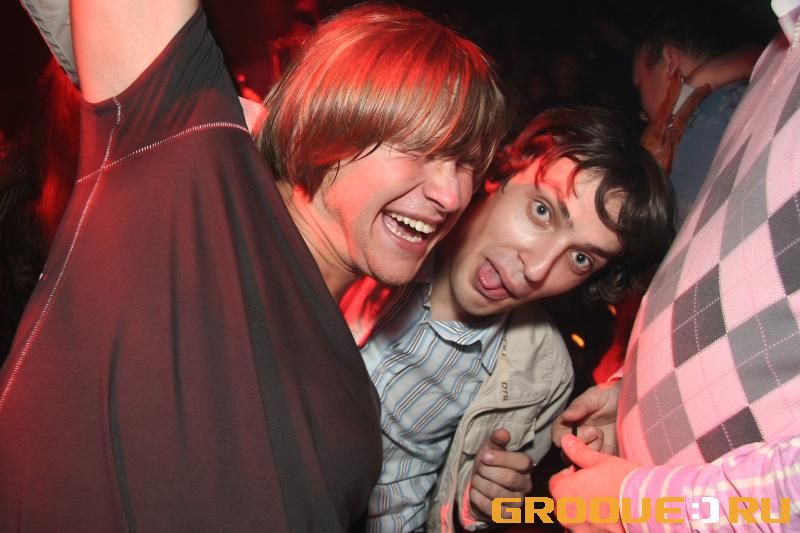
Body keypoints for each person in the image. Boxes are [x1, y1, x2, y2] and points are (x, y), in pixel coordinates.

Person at [0, 2, 506, 531]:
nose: (451, 195)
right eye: (422, 147)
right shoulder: (195, 161)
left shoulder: (357, 422)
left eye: (467, 164)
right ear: (334, 116)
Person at [341, 106, 675, 532]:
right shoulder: (383, 228)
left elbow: (459, 510)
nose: (537, 268)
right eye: (542, 211)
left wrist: (481, 504)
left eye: (580, 258)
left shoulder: (541, 374)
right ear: (507, 169)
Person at [550, 2, 800, 530]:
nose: (643, 109)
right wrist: (633, 393)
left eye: (639, 83)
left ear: (667, 62)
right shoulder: (777, 62)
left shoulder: (711, 111)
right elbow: (721, 271)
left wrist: (637, 506)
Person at [633, 0, 763, 223]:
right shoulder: (753, 92)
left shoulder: (708, 121)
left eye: (639, 86)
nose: (642, 114)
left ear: (670, 61)